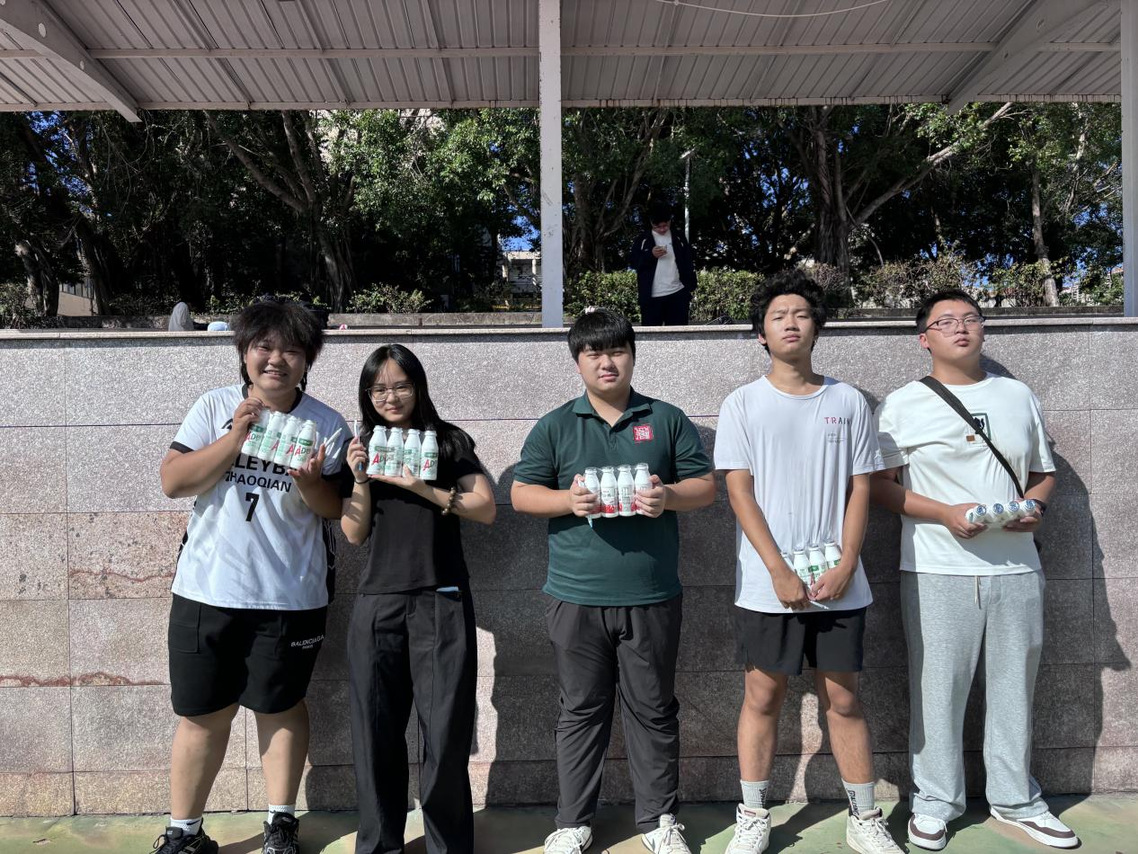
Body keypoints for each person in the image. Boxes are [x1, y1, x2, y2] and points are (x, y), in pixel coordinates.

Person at [871, 289, 1078, 851]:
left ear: (984, 329)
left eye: (970, 318)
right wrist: (942, 512)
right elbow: (880, 488)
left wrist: (1037, 507)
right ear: (924, 339)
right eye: (945, 322)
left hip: (1017, 567)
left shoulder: (1017, 395)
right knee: (937, 689)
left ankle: (1017, 800)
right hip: (936, 567)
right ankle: (935, 801)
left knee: (1015, 687)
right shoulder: (902, 404)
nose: (960, 328)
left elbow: (1043, 472)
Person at [511, 308, 716, 854]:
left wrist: (668, 496)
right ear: (577, 361)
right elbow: (521, 494)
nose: (607, 362)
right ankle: (573, 822)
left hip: (652, 595)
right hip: (574, 597)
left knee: (654, 709)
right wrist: (568, 501)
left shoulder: (665, 419)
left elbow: (705, 486)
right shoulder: (556, 425)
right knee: (580, 710)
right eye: (594, 352)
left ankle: (659, 821)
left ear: (633, 355)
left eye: (617, 350)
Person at [714, 270, 902, 854]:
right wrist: (777, 569)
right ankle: (753, 814)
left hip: (839, 581)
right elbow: (739, 491)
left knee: (843, 699)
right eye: (778, 316)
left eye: (800, 313)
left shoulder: (847, 401)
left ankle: (864, 816)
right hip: (766, 583)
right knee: (762, 697)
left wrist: (848, 563)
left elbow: (861, 488)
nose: (790, 323)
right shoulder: (742, 403)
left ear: (817, 327)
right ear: (761, 334)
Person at [154, 300, 349, 854]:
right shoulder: (214, 406)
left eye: (292, 350)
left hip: (291, 595)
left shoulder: (327, 425)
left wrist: (309, 481)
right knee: (201, 714)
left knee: (280, 706)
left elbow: (336, 510)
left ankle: (280, 824)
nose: (276, 359)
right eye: (264, 346)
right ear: (244, 352)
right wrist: (235, 437)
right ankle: (185, 832)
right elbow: (173, 481)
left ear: (308, 359)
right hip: (206, 589)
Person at [341, 344, 496, 854]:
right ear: (367, 395)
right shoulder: (363, 444)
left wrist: (422, 487)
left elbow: (485, 508)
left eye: (401, 386)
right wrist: (359, 478)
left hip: (440, 598)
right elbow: (353, 534)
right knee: (375, 733)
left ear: (418, 386)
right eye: (378, 389)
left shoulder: (447, 441)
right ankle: (379, 844)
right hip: (378, 602)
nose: (390, 397)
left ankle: (447, 846)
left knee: (445, 734)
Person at [630, 202, 697, 326]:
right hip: (651, 298)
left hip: (678, 294)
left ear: (670, 221)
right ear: (651, 223)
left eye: (665, 225)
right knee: (652, 335)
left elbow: (688, 261)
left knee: (679, 334)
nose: (662, 229)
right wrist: (650, 255)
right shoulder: (643, 239)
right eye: (657, 226)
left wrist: (690, 286)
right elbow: (633, 263)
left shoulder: (679, 237)